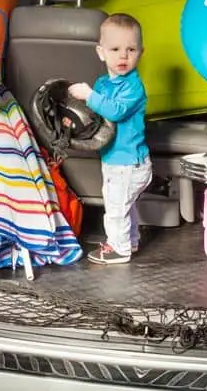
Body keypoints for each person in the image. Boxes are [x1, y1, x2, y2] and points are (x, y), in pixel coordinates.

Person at [68, 13, 152, 264]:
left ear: (141, 53)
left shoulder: (133, 87)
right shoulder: (103, 84)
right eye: (115, 49)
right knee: (125, 206)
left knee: (116, 209)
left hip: (129, 162)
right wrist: (73, 120)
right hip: (114, 158)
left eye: (131, 49)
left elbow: (115, 111)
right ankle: (130, 241)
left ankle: (118, 248)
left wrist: (88, 94)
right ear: (101, 52)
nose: (123, 56)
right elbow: (95, 115)